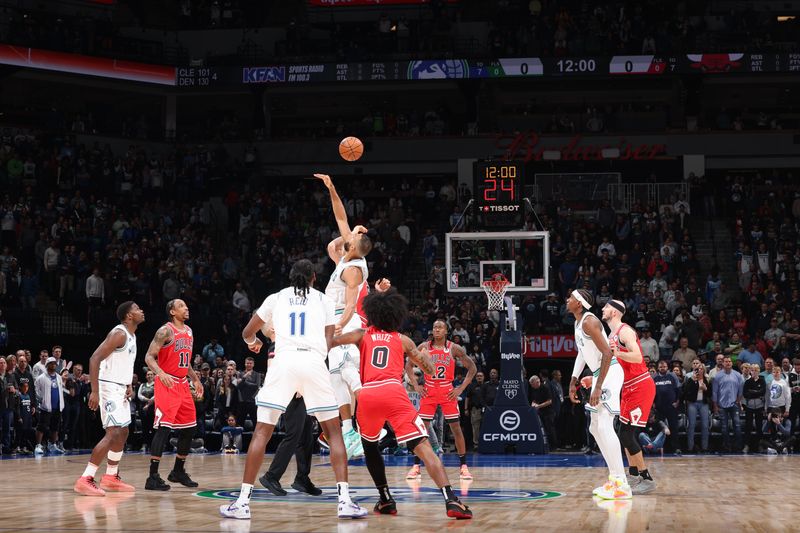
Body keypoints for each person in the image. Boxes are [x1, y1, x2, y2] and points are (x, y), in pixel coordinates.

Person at [220, 259, 368, 520]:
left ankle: (242, 503)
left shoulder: (276, 297)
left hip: (283, 362)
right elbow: (328, 339)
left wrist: (253, 341)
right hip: (313, 362)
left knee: (261, 433)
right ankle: (344, 500)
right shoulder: (323, 300)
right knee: (334, 432)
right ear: (313, 277)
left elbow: (247, 331)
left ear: (291, 278)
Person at [331, 289, 472, 519]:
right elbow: (429, 368)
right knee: (423, 446)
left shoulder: (361, 334)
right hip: (394, 392)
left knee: (370, 447)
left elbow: (332, 342)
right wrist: (425, 361)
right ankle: (451, 500)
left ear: (373, 315)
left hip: (368, 395)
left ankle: (385, 499)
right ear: (396, 316)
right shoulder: (403, 339)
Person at [316, 173, 374, 459]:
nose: (348, 234)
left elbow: (351, 305)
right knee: (335, 377)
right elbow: (339, 216)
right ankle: (350, 431)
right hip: (335, 318)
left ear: (353, 247)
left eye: (351, 237)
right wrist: (332, 187)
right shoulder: (345, 258)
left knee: (348, 373)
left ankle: (372, 418)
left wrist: (337, 327)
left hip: (345, 320)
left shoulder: (353, 268)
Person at [74, 301, 145, 496]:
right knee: (113, 432)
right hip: (108, 387)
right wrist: (95, 391)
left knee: (123, 432)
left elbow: (125, 363)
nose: (141, 311)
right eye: (137, 309)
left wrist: (128, 384)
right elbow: (94, 358)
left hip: (120, 387)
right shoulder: (119, 333)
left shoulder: (132, 335)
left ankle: (111, 477)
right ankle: (85, 478)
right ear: (129, 316)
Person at [567, 289, 630, 500]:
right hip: (599, 373)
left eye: (571, 298)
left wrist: (598, 386)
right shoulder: (578, 323)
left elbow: (607, 353)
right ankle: (614, 478)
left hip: (609, 372)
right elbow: (582, 353)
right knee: (594, 427)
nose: (567, 300)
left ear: (579, 303)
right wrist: (573, 380)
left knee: (604, 424)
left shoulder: (589, 322)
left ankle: (622, 482)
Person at [144, 299, 204, 491]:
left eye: (187, 305)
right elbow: (148, 356)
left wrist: (195, 379)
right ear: (172, 311)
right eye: (181, 306)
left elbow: (184, 363)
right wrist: (160, 374)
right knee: (164, 429)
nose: (186, 308)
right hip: (166, 382)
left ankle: (178, 471)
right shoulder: (165, 331)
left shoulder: (189, 331)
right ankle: (152, 476)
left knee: (189, 429)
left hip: (183, 384)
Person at [406, 320, 476, 481]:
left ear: (446, 331)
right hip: (429, 389)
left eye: (440, 327)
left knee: (456, 428)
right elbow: (408, 365)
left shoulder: (453, 348)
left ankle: (463, 466)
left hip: (447, 390)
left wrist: (460, 388)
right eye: (434, 327)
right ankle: (416, 466)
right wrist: (416, 385)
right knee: (422, 429)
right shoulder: (424, 346)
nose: (436, 329)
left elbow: (472, 368)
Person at [603, 299, 657, 495]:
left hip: (640, 384)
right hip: (628, 386)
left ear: (616, 312)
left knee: (626, 434)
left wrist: (617, 352)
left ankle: (646, 477)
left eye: (607, 307)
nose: (603, 309)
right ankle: (633, 475)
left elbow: (637, 357)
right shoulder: (611, 334)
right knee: (622, 433)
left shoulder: (625, 331)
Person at [34, 356, 65, 455]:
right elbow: (36, 390)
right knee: (42, 427)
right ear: (47, 365)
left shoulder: (59, 377)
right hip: (46, 407)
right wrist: (41, 399)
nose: (53, 365)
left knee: (55, 427)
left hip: (57, 407)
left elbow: (60, 390)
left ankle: (52, 445)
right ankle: (38, 445)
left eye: (55, 363)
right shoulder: (41, 378)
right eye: (51, 363)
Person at [712, 356, 744, 452]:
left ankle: (737, 446)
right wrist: (715, 405)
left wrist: (738, 400)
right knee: (724, 428)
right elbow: (714, 392)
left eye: (729, 361)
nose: (728, 363)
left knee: (737, 426)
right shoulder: (718, 376)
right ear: (723, 363)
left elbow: (740, 390)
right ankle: (727, 446)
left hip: (734, 404)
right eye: (726, 361)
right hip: (722, 405)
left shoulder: (737, 375)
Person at [682, 360, 712, 453]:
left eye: (701, 369)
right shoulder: (691, 379)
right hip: (692, 404)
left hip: (703, 404)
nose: (699, 371)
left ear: (703, 370)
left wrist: (706, 389)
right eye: (698, 369)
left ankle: (705, 447)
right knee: (691, 425)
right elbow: (685, 392)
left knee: (705, 425)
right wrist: (692, 381)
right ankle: (690, 447)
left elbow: (710, 394)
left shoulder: (707, 380)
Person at [529, 375, 557, 450]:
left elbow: (549, 401)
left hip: (548, 412)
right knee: (543, 430)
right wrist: (533, 404)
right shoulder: (534, 389)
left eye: (532, 384)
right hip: (541, 412)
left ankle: (553, 446)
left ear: (537, 382)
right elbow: (534, 399)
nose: (531, 386)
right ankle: (545, 445)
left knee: (550, 429)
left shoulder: (545, 388)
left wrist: (539, 406)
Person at [742, 363, 766, 453]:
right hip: (749, 407)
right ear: (750, 371)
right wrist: (757, 392)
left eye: (756, 370)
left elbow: (763, 391)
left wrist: (752, 392)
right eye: (752, 370)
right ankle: (746, 445)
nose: (754, 372)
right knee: (748, 426)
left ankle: (760, 445)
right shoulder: (747, 382)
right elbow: (745, 394)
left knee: (759, 427)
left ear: (759, 371)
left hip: (760, 407)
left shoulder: (762, 380)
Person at [465, 371, 485, 449]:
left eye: (481, 376)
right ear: (476, 378)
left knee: (484, 427)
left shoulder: (486, 385)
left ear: (484, 377)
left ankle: (484, 443)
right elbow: (467, 397)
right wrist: (466, 409)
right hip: (475, 409)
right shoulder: (471, 386)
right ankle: (476, 444)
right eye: (478, 376)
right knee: (475, 427)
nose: (479, 377)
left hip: (485, 409)